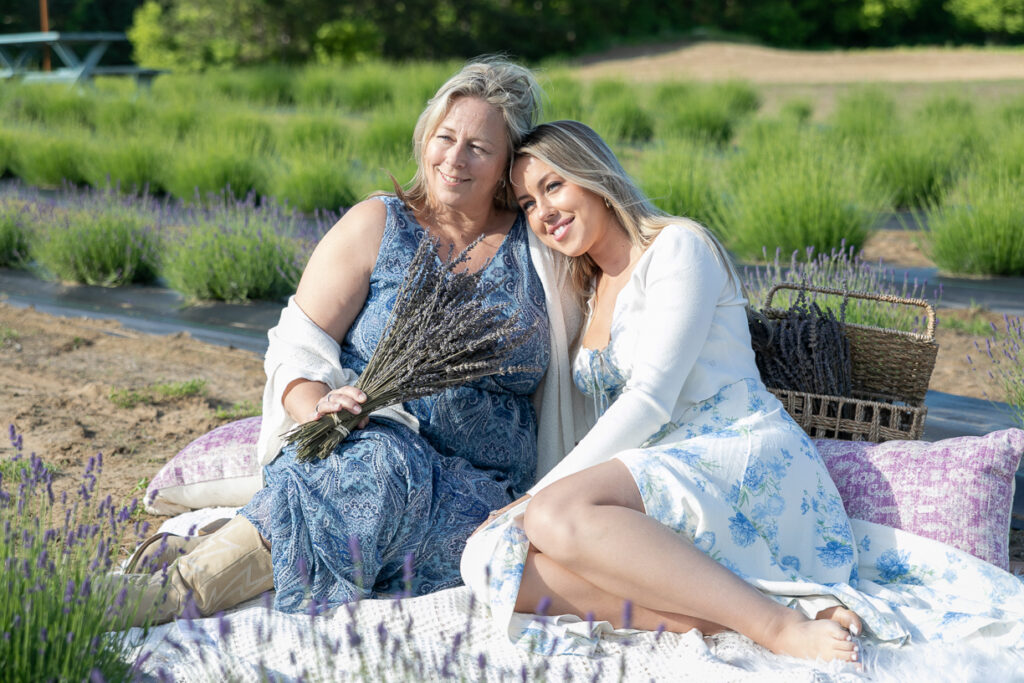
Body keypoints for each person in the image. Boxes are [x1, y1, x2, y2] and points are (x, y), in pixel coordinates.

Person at [461, 120, 1024, 662]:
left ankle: (775, 626)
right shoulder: (586, 289)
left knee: (552, 515)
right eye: (529, 203)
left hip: (736, 452)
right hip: (665, 466)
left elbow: (652, 399)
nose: (544, 212)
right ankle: (741, 615)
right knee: (490, 563)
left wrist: (537, 495)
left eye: (552, 185)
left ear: (595, 176)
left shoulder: (678, 249)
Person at [121, 59, 583, 626]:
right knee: (378, 472)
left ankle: (237, 541)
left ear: (508, 165)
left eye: (478, 149)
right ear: (425, 139)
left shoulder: (541, 247)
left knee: (452, 540)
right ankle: (167, 595)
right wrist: (317, 402)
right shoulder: (378, 224)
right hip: (365, 445)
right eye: (445, 137)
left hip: (479, 488)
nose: (454, 159)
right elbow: (297, 343)